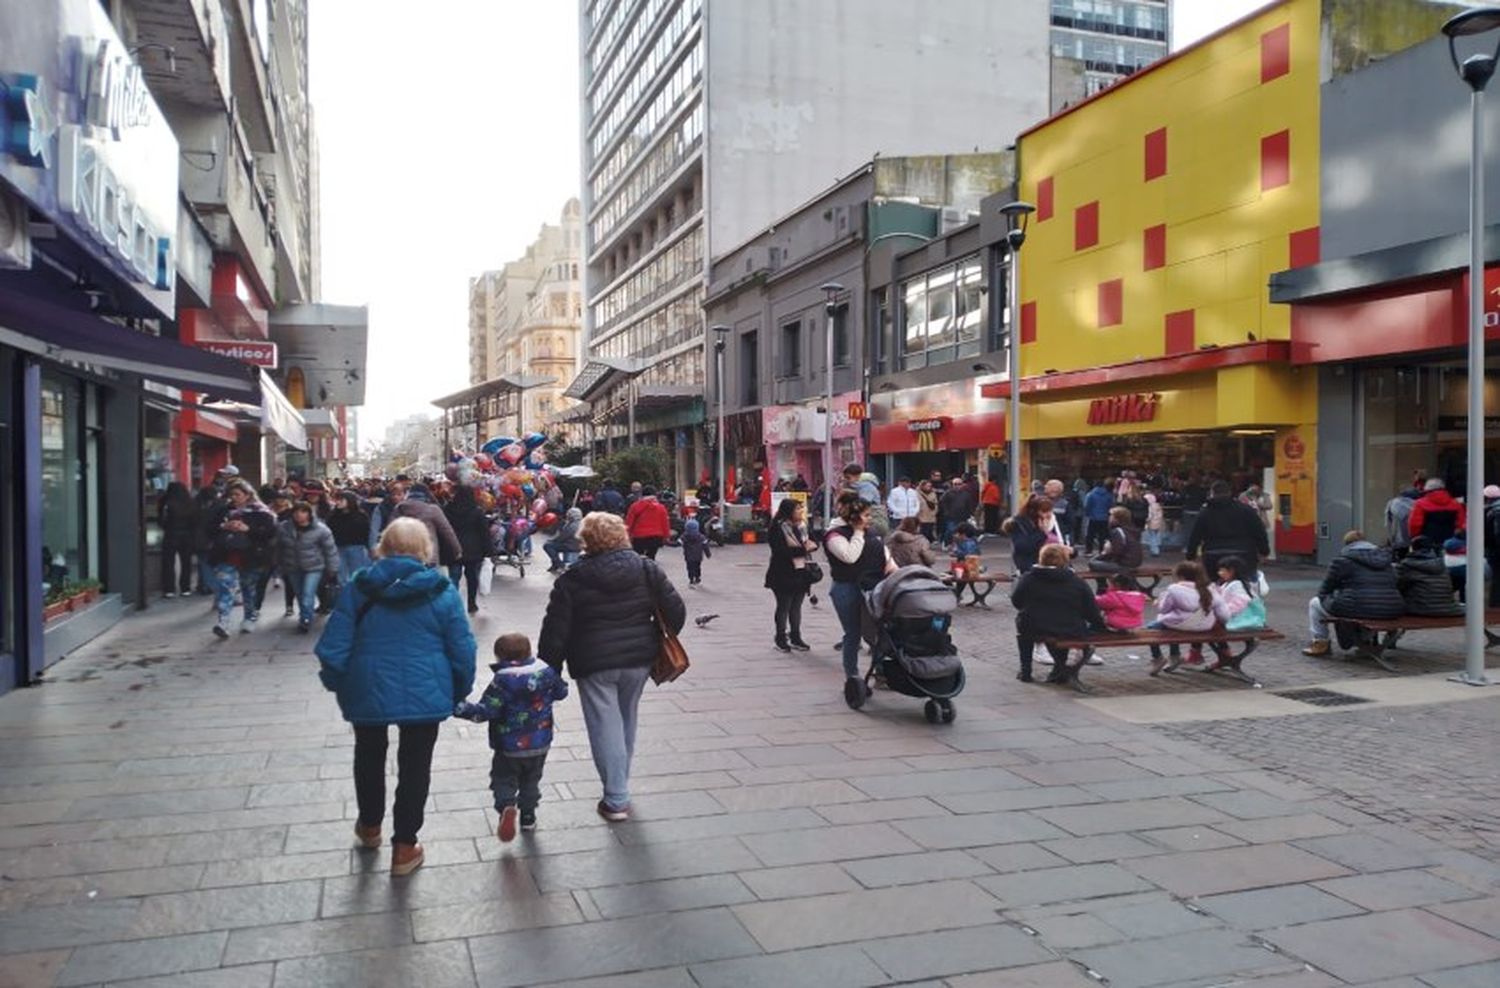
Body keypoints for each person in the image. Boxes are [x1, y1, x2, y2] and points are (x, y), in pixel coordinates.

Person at [316, 518, 475, 876]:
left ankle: (370, 826)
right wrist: (458, 688)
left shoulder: (360, 587)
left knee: (369, 755)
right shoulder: (441, 590)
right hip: (426, 688)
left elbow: (333, 645)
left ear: (383, 546)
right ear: (425, 549)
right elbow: (462, 648)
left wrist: (337, 682)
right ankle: (405, 846)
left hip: (367, 684)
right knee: (416, 766)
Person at [538, 513, 685, 822]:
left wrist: (549, 668)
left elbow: (555, 630)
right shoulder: (647, 569)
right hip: (638, 659)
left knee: (605, 726)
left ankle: (616, 797)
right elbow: (676, 612)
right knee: (626, 719)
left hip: (593, 662)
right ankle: (620, 784)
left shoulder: (572, 578)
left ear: (586, 538)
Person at [454, 632, 569, 842]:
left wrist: (458, 707)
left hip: (509, 747)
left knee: (503, 779)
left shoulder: (503, 679)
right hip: (540, 743)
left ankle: (507, 805)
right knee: (531, 780)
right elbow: (562, 692)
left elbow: (486, 710)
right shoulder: (545, 672)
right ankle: (528, 817)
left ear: (500, 657)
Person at [825, 491, 896, 709]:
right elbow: (849, 557)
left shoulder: (872, 532)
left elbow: (886, 557)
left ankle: (882, 672)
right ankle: (853, 677)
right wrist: (857, 533)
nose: (870, 520)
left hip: (875, 587)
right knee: (853, 633)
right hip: (847, 588)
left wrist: (899, 575)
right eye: (866, 516)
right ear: (854, 517)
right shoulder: (834, 535)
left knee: (879, 632)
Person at [1011, 543, 1107, 683]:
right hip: (1068, 627)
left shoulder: (1029, 578)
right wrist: (1100, 625)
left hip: (1034, 626)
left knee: (1025, 630)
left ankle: (1026, 670)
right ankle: (1060, 667)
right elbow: (1090, 610)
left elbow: (1017, 602)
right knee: (1061, 628)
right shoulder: (1076, 582)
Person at [1302, 530, 1405, 657]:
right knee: (1361, 603)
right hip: (1389, 609)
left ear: (1347, 544)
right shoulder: (1386, 561)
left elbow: (1325, 589)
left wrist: (1333, 599)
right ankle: (1365, 641)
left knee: (1314, 603)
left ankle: (1320, 642)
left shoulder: (1342, 561)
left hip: (1357, 608)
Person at [206, 480, 279, 638]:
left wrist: (248, 529)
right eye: (231, 495)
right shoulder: (224, 510)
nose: (234, 498)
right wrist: (223, 526)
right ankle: (223, 622)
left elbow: (270, 533)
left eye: (238, 495)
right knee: (226, 589)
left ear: (247, 495)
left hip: (251, 556)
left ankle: (249, 617)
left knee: (249, 589)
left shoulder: (261, 512)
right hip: (226, 555)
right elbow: (208, 528)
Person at [1185, 480, 1269, 580]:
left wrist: (1191, 556)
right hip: (1244, 554)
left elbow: (1195, 536)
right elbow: (1259, 532)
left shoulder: (1205, 513)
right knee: (1246, 585)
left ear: (1212, 493)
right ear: (1230, 493)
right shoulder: (1246, 510)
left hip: (1213, 555)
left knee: (1214, 586)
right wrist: (1264, 551)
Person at [276, 501, 340, 633]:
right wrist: (279, 567)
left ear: (309, 513)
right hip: (293, 566)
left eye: (303, 511)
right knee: (300, 594)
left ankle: (305, 619)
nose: (299, 515)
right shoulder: (284, 528)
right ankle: (306, 614)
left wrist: (333, 568)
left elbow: (330, 550)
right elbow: (278, 548)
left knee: (307, 593)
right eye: (296, 512)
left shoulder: (321, 529)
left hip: (314, 567)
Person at [765, 497, 817, 653]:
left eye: (802, 508)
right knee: (784, 606)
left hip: (801, 572)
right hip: (782, 573)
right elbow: (781, 551)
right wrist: (804, 549)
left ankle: (796, 636)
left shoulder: (803, 526)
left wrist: (810, 547)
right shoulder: (778, 528)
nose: (801, 512)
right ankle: (780, 638)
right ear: (788, 511)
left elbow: (814, 542)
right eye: (797, 509)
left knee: (796, 607)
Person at [443, 485, 491, 614]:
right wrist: (488, 550)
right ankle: (471, 603)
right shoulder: (477, 511)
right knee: (472, 577)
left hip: (454, 549)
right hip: (473, 549)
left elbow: (444, 529)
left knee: (454, 576)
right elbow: (484, 532)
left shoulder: (448, 509)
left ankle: (453, 603)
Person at [393, 483, 462, 568]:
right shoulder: (432, 509)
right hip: (429, 557)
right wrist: (457, 551)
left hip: (404, 556)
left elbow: (391, 532)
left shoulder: (399, 509)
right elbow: (447, 531)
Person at [1396, 536, 1463, 616]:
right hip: (1448, 608)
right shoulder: (1440, 564)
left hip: (1419, 608)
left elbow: (1397, 585)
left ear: (1412, 548)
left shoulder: (1407, 565)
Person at [157, 482, 198, 598]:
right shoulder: (191, 503)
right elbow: (195, 521)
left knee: (168, 563)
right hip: (187, 536)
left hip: (171, 534)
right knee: (186, 563)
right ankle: (185, 588)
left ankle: (169, 589)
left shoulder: (167, 503)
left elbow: (161, 520)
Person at [1089, 506, 1144, 592]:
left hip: (1124, 565)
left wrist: (1104, 553)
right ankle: (1103, 587)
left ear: (1118, 519)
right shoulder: (1133, 530)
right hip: (1135, 563)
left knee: (1092, 563)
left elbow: (1117, 551)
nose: (1109, 518)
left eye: (1111, 516)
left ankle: (1102, 587)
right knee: (1101, 564)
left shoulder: (1117, 531)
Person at [1002, 494, 1055, 574]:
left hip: (1053, 563)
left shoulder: (1052, 521)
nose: (1049, 514)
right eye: (1044, 511)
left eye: (1050, 511)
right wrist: (1042, 533)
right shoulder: (1019, 524)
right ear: (1034, 511)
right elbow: (1023, 547)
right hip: (1031, 565)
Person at [327, 491, 372, 584]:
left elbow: (366, 532)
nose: (338, 502)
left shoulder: (361, 516)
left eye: (341, 500)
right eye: (337, 500)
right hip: (338, 548)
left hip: (356, 547)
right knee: (341, 577)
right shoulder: (333, 516)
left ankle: (355, 595)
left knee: (356, 575)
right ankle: (345, 595)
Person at [1408, 477, 1465, 545]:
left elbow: (1415, 524)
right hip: (1449, 541)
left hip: (1427, 542)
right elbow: (1461, 523)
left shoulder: (1420, 504)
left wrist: (1414, 537)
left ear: (1427, 490)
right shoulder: (1456, 504)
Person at [1384, 472, 1427, 558]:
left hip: (1398, 540)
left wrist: (1390, 538)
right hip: (1417, 539)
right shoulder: (1420, 505)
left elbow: (1387, 522)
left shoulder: (1392, 503)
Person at [624, 485, 671, 558]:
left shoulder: (635, 506)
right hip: (656, 537)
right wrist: (666, 537)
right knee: (651, 557)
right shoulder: (661, 507)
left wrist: (627, 535)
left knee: (638, 558)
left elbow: (629, 522)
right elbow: (665, 523)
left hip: (639, 537)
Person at [367, 481, 407, 552]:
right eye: (393, 494)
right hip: (387, 543)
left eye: (399, 494)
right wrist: (373, 547)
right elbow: (374, 528)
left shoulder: (409, 507)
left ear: (404, 494)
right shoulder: (381, 508)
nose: (395, 497)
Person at [938, 476, 977, 545]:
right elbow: (942, 503)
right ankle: (946, 542)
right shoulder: (948, 493)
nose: (957, 486)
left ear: (962, 485)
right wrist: (946, 512)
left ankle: (958, 544)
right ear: (952, 485)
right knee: (950, 530)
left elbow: (970, 505)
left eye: (959, 484)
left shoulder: (966, 494)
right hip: (951, 516)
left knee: (961, 531)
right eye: (955, 484)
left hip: (963, 516)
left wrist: (971, 514)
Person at [543, 507, 583, 573]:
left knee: (548, 546)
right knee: (552, 545)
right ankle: (555, 564)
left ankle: (559, 564)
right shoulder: (580, 523)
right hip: (576, 545)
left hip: (570, 545)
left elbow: (562, 537)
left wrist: (552, 541)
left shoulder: (572, 525)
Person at [1083, 480, 1114, 553]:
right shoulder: (1108, 495)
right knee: (1102, 535)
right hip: (1104, 518)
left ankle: (1089, 550)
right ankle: (1101, 549)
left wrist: (1088, 514)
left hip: (1093, 517)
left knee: (1090, 534)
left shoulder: (1090, 494)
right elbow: (1111, 506)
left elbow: (1087, 506)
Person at [680, 518, 711, 586]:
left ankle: (691, 580)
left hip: (688, 556)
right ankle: (697, 578)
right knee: (697, 567)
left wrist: (667, 542)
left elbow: (677, 543)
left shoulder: (684, 536)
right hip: (698, 556)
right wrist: (708, 554)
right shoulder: (701, 537)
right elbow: (705, 546)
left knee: (690, 568)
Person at [1142, 489, 1165, 558]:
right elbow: (1161, 515)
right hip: (1158, 523)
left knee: (1152, 537)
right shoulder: (1158, 506)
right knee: (1156, 536)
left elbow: (1149, 516)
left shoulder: (1150, 507)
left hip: (1152, 523)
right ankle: (1157, 548)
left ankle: (1154, 550)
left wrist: (1146, 520)